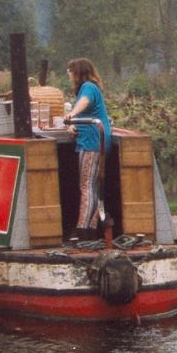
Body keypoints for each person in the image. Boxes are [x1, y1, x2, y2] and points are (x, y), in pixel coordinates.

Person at [63, 58, 112, 241]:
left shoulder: (88, 88)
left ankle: (82, 229)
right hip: (94, 139)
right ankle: (91, 229)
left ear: (78, 72)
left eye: (70, 72)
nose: (69, 76)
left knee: (87, 186)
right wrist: (72, 125)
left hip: (92, 142)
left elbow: (84, 102)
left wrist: (72, 114)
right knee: (93, 186)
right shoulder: (90, 87)